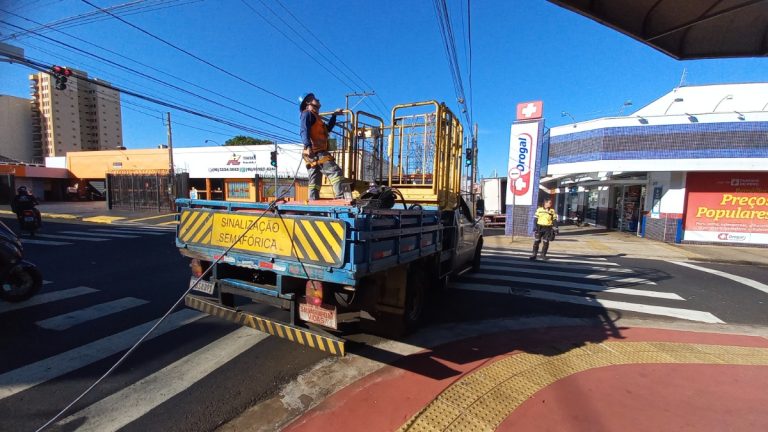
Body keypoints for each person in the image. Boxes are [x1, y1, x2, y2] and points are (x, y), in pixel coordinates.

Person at [299, 92, 348, 200]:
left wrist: (334, 115)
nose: (318, 99)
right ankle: (342, 199)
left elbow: (327, 129)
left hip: (314, 153)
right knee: (336, 173)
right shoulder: (307, 114)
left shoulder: (316, 117)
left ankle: (313, 202)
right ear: (308, 102)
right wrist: (308, 146)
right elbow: (304, 130)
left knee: (315, 181)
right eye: (314, 98)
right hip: (316, 152)